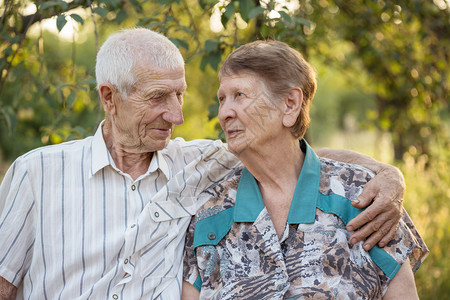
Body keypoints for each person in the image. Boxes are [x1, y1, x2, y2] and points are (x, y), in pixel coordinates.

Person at [0, 28, 405, 300]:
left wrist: (388, 175)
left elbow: (286, 152)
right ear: (110, 98)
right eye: (159, 98)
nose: (176, 116)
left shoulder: (196, 163)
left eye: (181, 96)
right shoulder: (37, 174)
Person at [181, 40, 429, 299]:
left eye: (239, 95)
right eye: (222, 99)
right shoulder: (208, 214)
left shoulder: (365, 197)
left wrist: (390, 173)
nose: (224, 113)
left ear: (290, 104)